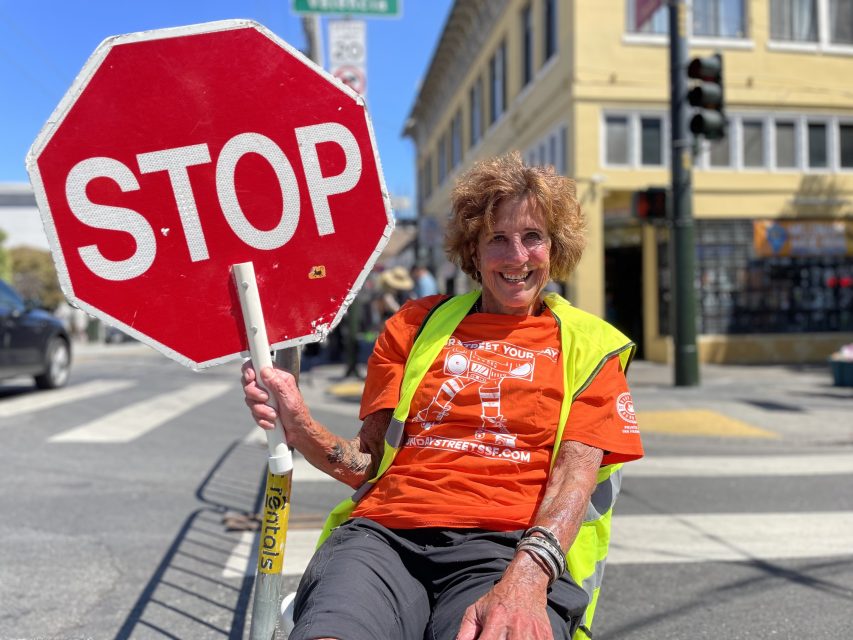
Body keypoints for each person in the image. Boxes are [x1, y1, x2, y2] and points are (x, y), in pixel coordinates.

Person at [242, 151, 644, 640]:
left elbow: (573, 481)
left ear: (554, 248)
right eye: (497, 238)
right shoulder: (413, 326)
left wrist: (526, 582)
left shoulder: (592, 345)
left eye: (532, 237)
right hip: (384, 539)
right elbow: (364, 465)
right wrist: (298, 422)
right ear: (473, 251)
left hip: (508, 548)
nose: (517, 255)